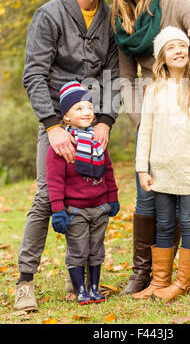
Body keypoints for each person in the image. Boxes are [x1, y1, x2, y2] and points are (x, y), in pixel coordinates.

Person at [105, 0, 190, 295]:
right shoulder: (122, 21)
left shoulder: (176, 2)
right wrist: (143, 121)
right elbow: (126, 79)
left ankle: (176, 278)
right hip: (153, 114)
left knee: (183, 199)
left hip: (187, 108)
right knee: (147, 198)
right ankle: (146, 275)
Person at [14, 0, 120, 312]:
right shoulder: (49, 15)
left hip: (94, 124)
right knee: (47, 197)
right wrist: (53, 126)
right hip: (57, 122)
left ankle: (81, 279)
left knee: (91, 196)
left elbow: (113, 74)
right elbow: (34, 75)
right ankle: (25, 281)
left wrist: (106, 120)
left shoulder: (110, 16)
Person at [133, 26, 190, 300]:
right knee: (164, 224)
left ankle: (181, 283)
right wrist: (142, 168)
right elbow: (145, 130)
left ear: (189, 52)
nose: (178, 51)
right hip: (161, 170)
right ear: (162, 57)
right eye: (171, 48)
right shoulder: (154, 90)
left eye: (182, 46)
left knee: (187, 221)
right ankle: (159, 282)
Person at [47, 81, 120, 305]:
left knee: (97, 249)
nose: (87, 112)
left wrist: (113, 198)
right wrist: (58, 210)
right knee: (78, 250)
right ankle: (80, 290)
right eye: (79, 108)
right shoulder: (62, 146)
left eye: (89, 107)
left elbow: (108, 172)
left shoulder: (98, 143)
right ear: (66, 117)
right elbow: (55, 181)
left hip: (99, 208)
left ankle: (95, 288)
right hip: (75, 210)